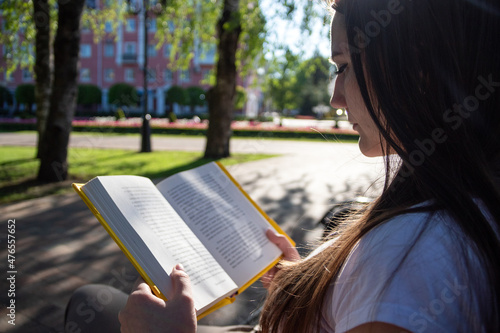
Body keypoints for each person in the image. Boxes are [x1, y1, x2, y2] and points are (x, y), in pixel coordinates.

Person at [66, 0, 500, 332]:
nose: (336, 96)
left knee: (91, 304)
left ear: (419, 68)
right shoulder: (445, 199)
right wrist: (308, 283)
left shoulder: (411, 260)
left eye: (344, 66)